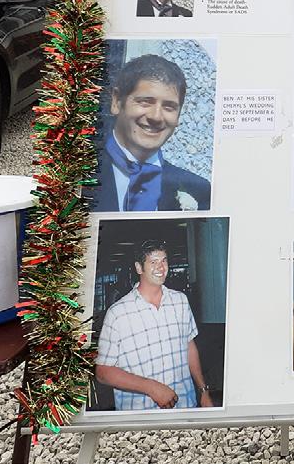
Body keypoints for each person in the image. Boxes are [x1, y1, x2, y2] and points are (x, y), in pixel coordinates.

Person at [95, 240, 215, 411]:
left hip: (185, 406)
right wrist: (151, 387)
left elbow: (189, 346)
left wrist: (203, 390)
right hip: (140, 415)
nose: (161, 267)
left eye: (164, 260)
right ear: (139, 268)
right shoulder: (118, 313)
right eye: (153, 262)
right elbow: (103, 371)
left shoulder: (180, 301)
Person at [91, 53, 210, 212]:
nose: (156, 116)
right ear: (117, 102)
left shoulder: (198, 190)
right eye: (145, 102)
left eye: (169, 107)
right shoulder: (76, 174)